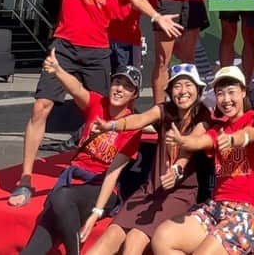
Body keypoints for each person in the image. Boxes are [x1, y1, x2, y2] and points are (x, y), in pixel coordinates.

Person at [6, 0, 180, 207]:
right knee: (41, 107)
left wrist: (156, 17)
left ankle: (96, 171)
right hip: (65, 45)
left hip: (98, 50)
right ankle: (26, 179)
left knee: (101, 114)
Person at [19, 50, 142, 255]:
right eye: (117, 83)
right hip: (74, 181)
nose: (119, 89)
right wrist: (58, 71)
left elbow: (113, 173)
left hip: (101, 188)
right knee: (37, 239)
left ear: (134, 95)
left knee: (60, 198)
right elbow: (76, 88)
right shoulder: (97, 103)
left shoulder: (132, 126)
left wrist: (97, 211)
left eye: (127, 86)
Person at [84, 63, 213, 255]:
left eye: (188, 85)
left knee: (135, 239)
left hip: (180, 194)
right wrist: (111, 125)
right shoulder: (164, 110)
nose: (183, 91)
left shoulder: (203, 116)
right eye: (177, 86)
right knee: (111, 235)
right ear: (170, 90)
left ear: (198, 89)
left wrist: (177, 168)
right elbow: (140, 119)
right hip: (149, 190)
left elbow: (190, 145)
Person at [152, 65, 254, 255]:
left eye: (231, 92)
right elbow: (200, 141)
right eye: (220, 94)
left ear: (243, 92)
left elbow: (250, 134)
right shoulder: (217, 128)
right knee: (163, 237)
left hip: (247, 213)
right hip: (215, 207)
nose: (226, 99)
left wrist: (234, 139)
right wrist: (183, 141)